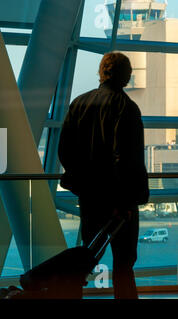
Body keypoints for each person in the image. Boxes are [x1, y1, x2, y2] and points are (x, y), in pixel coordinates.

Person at [58, 52, 149, 299]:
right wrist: (125, 199)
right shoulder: (127, 107)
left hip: (90, 196)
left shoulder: (79, 103)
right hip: (120, 199)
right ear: (126, 76)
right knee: (124, 260)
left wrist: (81, 182)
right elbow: (128, 157)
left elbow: (64, 150)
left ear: (102, 72)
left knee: (87, 254)